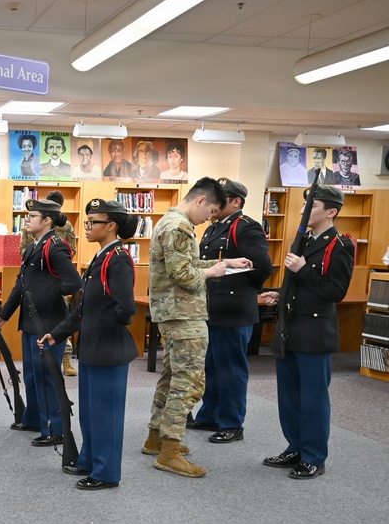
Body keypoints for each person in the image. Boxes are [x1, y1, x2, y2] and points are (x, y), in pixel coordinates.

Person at [143, 177, 251, 478]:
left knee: (171, 377)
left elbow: (185, 264)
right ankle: (169, 451)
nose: (209, 219)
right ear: (200, 201)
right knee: (189, 383)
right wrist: (215, 272)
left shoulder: (169, 221)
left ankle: (156, 438)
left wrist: (224, 262)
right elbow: (184, 276)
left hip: (173, 313)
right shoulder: (179, 227)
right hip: (184, 315)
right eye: (212, 211)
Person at [40, 198, 140, 490]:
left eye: (93, 222)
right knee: (90, 411)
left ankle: (106, 472)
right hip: (93, 349)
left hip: (108, 349)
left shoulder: (118, 257)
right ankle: (89, 459)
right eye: (87, 221)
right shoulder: (101, 256)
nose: (87, 227)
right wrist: (57, 333)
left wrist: (103, 329)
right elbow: (84, 310)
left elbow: (126, 308)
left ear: (111, 226)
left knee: (106, 415)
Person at [259, 185, 355, 479]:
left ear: (331, 212)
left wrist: (303, 270)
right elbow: (296, 286)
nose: (302, 211)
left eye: (311, 206)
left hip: (315, 331)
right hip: (290, 327)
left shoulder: (339, 245)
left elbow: (336, 291)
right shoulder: (300, 240)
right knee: (288, 395)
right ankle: (295, 447)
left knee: (313, 397)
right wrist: (278, 294)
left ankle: (314, 456)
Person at [0, 198, 81, 447]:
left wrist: (47, 294)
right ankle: (34, 418)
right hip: (30, 322)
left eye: (32, 216)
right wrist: (3, 315)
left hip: (49, 322)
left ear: (47, 220)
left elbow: (73, 283)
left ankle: (55, 428)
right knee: (31, 374)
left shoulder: (56, 246)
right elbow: (21, 286)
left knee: (47, 376)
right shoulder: (32, 248)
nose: (26, 220)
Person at [188, 178, 273, 443]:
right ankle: (210, 415)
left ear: (236, 201)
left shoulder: (246, 227)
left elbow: (263, 267)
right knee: (212, 367)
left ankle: (232, 423)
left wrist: (244, 292)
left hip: (234, 310)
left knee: (231, 369)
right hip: (212, 308)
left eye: (221, 197)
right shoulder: (214, 228)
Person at [45, 190, 79, 377]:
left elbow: (72, 249)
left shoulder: (65, 225)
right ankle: (45, 360)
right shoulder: (37, 222)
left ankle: (65, 360)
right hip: (40, 278)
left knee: (61, 319)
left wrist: (55, 256)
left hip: (58, 278)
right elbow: (24, 250)